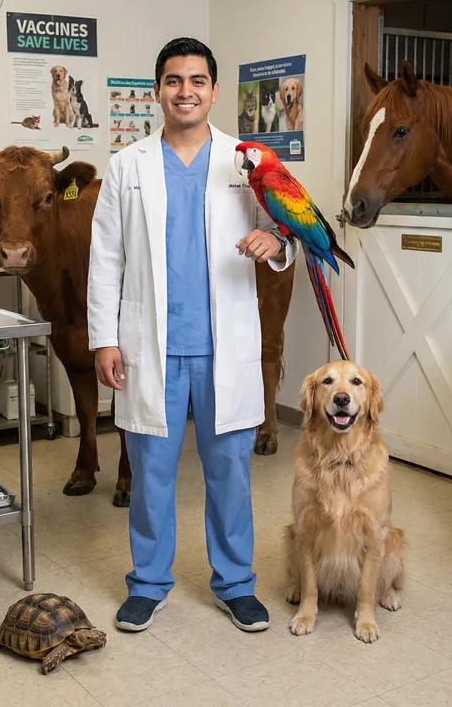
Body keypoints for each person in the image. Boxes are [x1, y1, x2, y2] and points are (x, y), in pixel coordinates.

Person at [87, 37, 299, 633]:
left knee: (229, 473)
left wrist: (275, 242)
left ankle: (235, 584)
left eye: (197, 80)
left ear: (214, 90)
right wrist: (104, 338)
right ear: (158, 90)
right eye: (175, 81)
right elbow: (105, 258)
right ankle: (148, 583)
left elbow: (285, 231)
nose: (186, 92)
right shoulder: (127, 165)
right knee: (150, 473)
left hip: (223, 347)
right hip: (149, 346)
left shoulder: (245, 161)